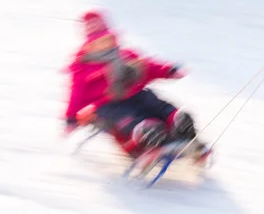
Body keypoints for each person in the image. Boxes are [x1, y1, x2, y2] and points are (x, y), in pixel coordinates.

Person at [63, 10, 206, 159]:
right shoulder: (83, 66)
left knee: (157, 105)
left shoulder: (125, 55)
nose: (103, 44)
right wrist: (71, 118)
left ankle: (181, 126)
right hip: (106, 105)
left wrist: (169, 70)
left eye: (106, 39)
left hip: (136, 94)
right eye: (97, 42)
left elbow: (148, 66)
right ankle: (149, 135)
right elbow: (76, 92)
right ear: (89, 44)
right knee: (127, 118)